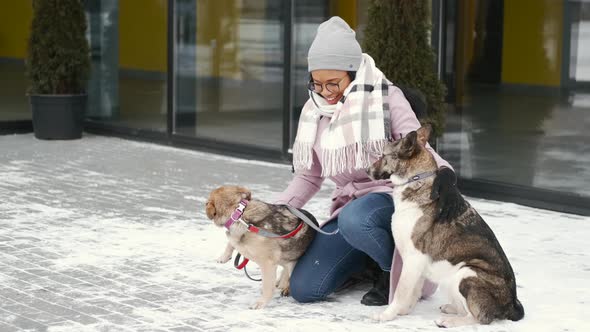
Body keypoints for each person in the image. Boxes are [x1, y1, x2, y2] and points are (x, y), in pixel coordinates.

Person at [275, 16, 464, 306]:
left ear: (352, 74)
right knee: (304, 289)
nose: (325, 92)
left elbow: (418, 148)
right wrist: (270, 215)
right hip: (348, 210)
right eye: (317, 83)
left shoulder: (386, 98)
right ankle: (366, 260)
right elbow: (308, 177)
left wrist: (445, 176)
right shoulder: (314, 111)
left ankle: (395, 271)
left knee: (357, 218)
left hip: (390, 200)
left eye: (333, 83)